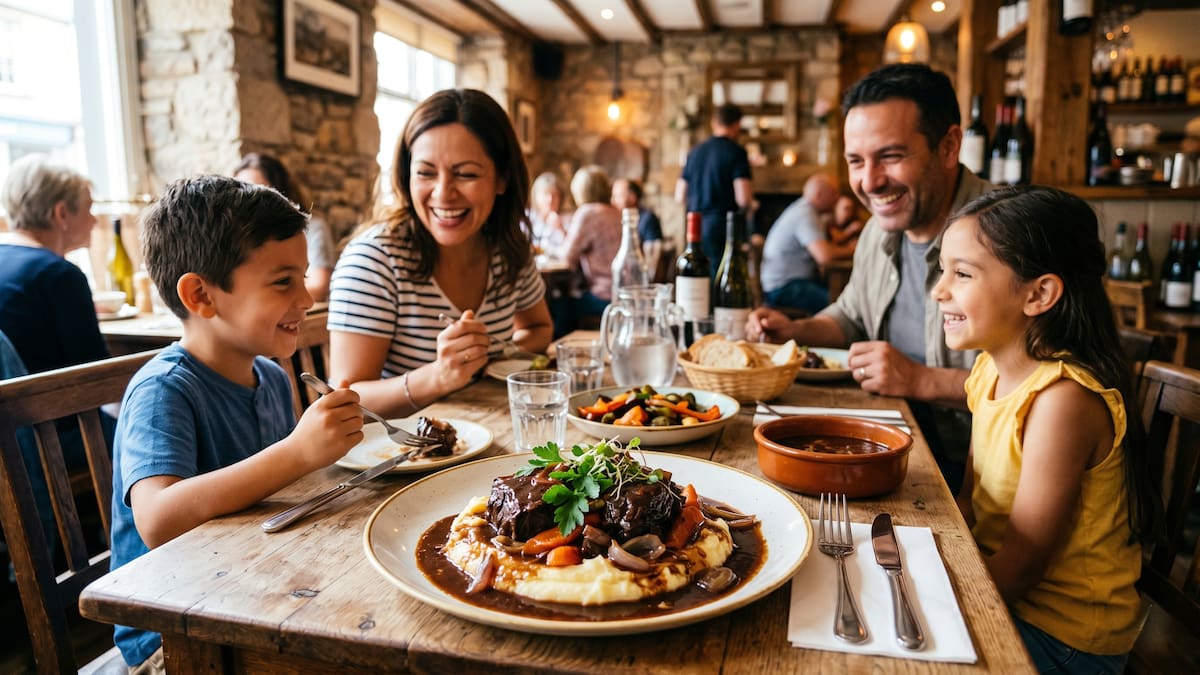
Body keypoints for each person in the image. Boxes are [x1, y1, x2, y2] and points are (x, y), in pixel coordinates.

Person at [109, 175, 365, 671]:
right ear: (201, 296)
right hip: (175, 632)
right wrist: (298, 452)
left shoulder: (270, 376)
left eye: (304, 277)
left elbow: (281, 495)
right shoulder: (163, 390)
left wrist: (317, 451)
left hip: (252, 592)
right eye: (282, 282)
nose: (307, 299)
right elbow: (158, 518)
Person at [936, 185, 1159, 674]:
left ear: (1038, 294)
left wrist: (927, 594)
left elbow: (1021, 566)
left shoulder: (1063, 402)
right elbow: (971, 501)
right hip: (1004, 597)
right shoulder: (988, 371)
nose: (939, 290)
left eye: (962, 273)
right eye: (942, 270)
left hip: (1066, 639)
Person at [746, 63, 993, 491]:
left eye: (891, 156)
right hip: (888, 448)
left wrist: (920, 380)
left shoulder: (1012, 234)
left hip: (976, 478)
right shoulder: (880, 228)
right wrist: (797, 330)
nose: (870, 182)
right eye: (856, 161)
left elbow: (1050, 386)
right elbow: (852, 315)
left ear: (950, 145)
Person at [327, 89, 553, 417]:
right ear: (406, 176)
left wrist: (491, 354)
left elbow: (539, 329)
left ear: (501, 179)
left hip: (490, 432)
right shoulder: (374, 259)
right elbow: (345, 400)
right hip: (401, 457)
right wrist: (438, 376)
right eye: (426, 172)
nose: (443, 193)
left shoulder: (508, 248)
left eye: (466, 174)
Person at [0, 153, 109, 374]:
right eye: (89, 208)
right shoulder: (59, 275)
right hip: (50, 406)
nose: (94, 220)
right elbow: (95, 372)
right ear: (61, 214)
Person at [233, 152, 337, 302]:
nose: (250, 201)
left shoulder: (312, 228)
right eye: (242, 192)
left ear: (280, 191)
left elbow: (319, 287)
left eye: (258, 192)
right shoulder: (238, 235)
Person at [758, 173, 853, 315]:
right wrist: (852, 249)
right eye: (833, 193)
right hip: (783, 289)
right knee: (841, 303)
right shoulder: (805, 214)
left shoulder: (805, 211)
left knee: (842, 296)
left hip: (787, 284)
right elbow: (824, 256)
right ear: (819, 195)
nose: (837, 198)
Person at [675, 103, 754, 267]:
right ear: (737, 124)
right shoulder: (736, 152)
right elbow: (744, 199)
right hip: (721, 226)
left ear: (714, 123)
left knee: (696, 271)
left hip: (695, 225)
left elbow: (679, 196)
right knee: (719, 276)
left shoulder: (694, 152)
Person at [554, 165, 622, 336]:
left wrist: (557, 229)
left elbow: (566, 258)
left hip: (605, 297)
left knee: (557, 303)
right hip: (625, 294)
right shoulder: (617, 212)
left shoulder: (588, 213)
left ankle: (559, 351)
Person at [611, 178, 665, 278]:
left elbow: (653, 260)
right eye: (613, 196)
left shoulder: (648, 219)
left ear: (632, 197)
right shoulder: (614, 219)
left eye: (618, 196)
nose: (613, 201)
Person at [528, 171, 572, 254]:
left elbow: (575, 249)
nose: (550, 200)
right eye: (545, 194)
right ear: (536, 196)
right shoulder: (528, 218)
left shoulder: (568, 220)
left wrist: (561, 229)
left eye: (554, 195)